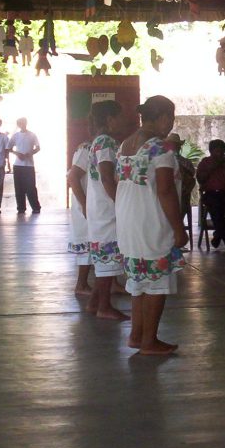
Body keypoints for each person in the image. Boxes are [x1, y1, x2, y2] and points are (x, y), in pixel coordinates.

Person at [116, 96, 188, 355]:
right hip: (152, 222)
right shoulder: (161, 148)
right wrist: (179, 228)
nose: (171, 124)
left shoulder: (125, 145)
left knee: (139, 283)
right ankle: (149, 341)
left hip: (128, 222)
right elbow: (165, 190)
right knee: (157, 282)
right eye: (171, 118)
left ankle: (137, 336)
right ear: (164, 117)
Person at [85, 100, 129, 320]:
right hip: (107, 209)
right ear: (111, 119)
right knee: (108, 259)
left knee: (105, 258)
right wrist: (120, 203)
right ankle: (104, 306)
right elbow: (106, 177)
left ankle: (95, 302)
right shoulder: (106, 143)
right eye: (120, 117)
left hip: (100, 208)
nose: (123, 121)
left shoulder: (98, 141)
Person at [196, 139, 225, 251]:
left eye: (222, 151)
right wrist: (213, 167)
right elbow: (200, 179)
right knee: (216, 210)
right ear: (211, 151)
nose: (220, 154)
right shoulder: (205, 162)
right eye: (217, 151)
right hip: (211, 193)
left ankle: (218, 235)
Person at [67, 136, 91, 296]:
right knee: (87, 243)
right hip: (86, 205)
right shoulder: (86, 150)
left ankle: (113, 283)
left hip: (91, 203)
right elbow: (72, 177)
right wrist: (84, 204)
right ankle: (81, 284)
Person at [8, 117, 41, 214]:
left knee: (31, 187)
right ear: (18, 125)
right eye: (20, 123)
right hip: (18, 165)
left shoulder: (32, 135)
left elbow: (38, 148)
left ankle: (36, 207)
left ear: (26, 123)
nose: (22, 125)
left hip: (29, 165)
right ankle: (21, 208)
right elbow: (9, 148)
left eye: (24, 123)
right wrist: (17, 153)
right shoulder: (15, 136)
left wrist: (30, 153)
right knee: (19, 187)